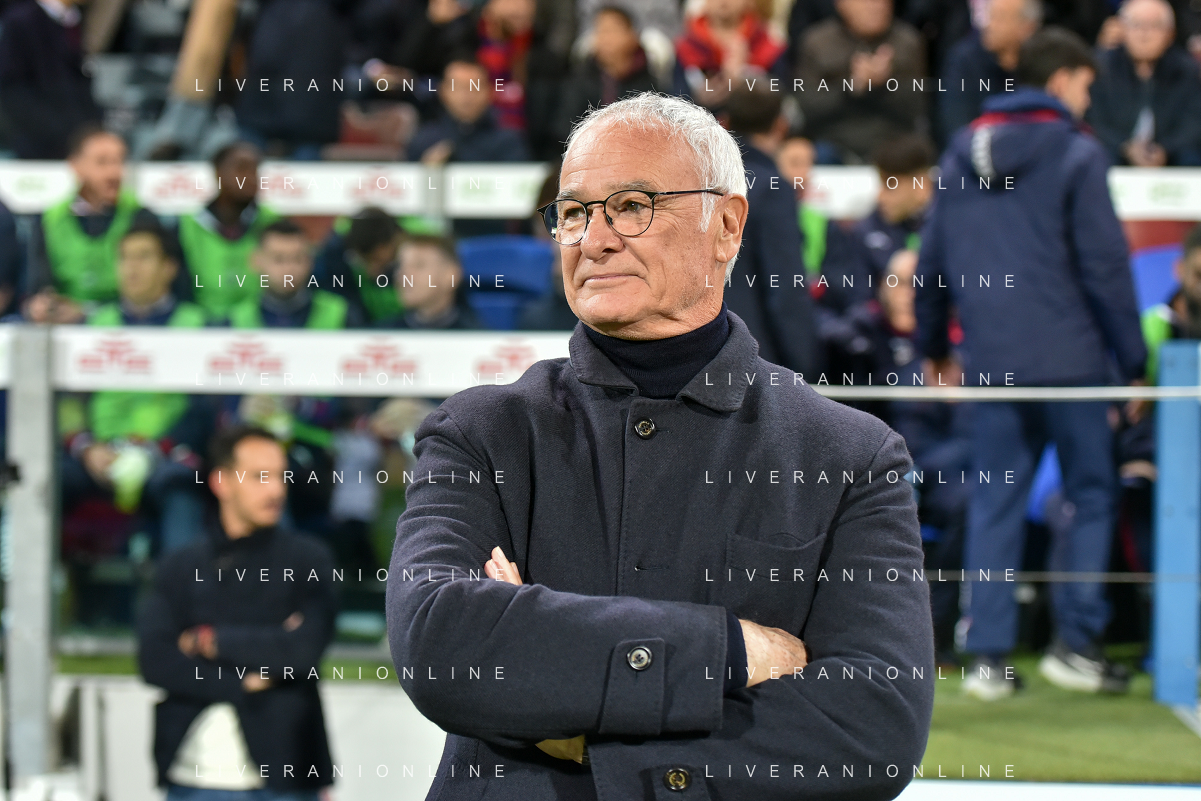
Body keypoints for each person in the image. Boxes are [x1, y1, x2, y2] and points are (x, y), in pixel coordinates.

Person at [387, 91, 933, 800]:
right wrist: (728, 651)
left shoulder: (851, 456)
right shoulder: (479, 432)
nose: (594, 238)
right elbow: (440, 644)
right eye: (574, 213)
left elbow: (873, 728)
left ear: (726, 226)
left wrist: (577, 728)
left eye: (632, 206)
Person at [915, 27, 1147, 699]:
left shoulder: (959, 151)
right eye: (1085, 84)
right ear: (1063, 80)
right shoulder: (1077, 152)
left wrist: (934, 347)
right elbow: (1105, 266)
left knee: (995, 499)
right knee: (1091, 494)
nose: (1088, 98)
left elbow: (932, 258)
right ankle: (1076, 644)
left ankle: (988, 658)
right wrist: (1132, 361)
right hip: (1072, 364)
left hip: (992, 361)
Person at [136, 425, 337, 800]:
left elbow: (302, 650)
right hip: (193, 779)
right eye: (260, 476)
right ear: (222, 482)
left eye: (280, 476)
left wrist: (207, 641)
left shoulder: (308, 559)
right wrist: (244, 679)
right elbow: (155, 661)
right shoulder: (181, 565)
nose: (276, 490)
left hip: (287, 776)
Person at [61, 221, 214, 557]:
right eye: (124, 257)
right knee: (43, 479)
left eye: (143, 257)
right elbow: (69, 403)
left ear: (169, 268)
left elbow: (205, 409)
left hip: (165, 453)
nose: (131, 268)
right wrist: (87, 447)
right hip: (100, 453)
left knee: (182, 486)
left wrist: (154, 449)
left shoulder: (198, 325)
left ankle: (180, 587)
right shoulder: (92, 325)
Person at [720, 83, 822, 379]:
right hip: (756, 361)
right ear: (781, 125)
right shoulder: (773, 189)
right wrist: (805, 367)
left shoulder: (703, 184)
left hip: (702, 349)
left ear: (725, 123)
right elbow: (786, 288)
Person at [795, 0, 928, 163]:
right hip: (833, 141)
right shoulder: (817, 43)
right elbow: (809, 107)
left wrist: (885, 84)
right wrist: (852, 87)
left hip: (892, 140)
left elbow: (917, 106)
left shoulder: (908, 42)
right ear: (841, 5)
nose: (876, 6)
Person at [1087, 0, 1201, 167]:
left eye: (1154, 26)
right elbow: (1092, 119)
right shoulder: (1101, 67)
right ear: (1122, 29)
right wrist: (1125, 147)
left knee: (1190, 157)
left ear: (1170, 33)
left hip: (1172, 158)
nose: (1144, 34)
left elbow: (1194, 121)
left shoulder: (1186, 70)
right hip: (1114, 153)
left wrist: (1165, 149)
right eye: (1136, 25)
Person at [179, 141, 280, 321]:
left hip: (260, 324)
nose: (250, 177)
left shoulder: (272, 222)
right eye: (242, 169)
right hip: (199, 323)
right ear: (217, 173)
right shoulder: (188, 224)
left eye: (255, 170)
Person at [0, 0, 101, 159]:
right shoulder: (22, 20)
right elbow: (11, 89)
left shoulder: (72, 19)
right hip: (39, 147)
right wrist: (54, 130)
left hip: (77, 141)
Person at [939, 0, 1042, 144]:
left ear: (1027, 28)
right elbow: (957, 125)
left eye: (1000, 18)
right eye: (990, 17)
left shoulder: (1041, 63)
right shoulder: (965, 60)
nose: (989, 25)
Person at [554, 5, 659, 145]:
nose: (605, 38)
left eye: (612, 30)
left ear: (632, 36)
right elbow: (564, 128)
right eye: (600, 30)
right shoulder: (579, 79)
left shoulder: (648, 83)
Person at [674, 0, 787, 107]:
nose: (724, 1)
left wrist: (743, 77)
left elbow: (781, 97)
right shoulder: (687, 48)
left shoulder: (766, 46)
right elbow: (677, 100)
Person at [313, 207, 405, 326]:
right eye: (365, 262)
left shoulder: (417, 246)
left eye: (376, 260)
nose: (371, 270)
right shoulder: (336, 260)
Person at [378, 233, 485, 329]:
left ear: (451, 275)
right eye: (400, 265)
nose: (403, 274)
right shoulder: (381, 334)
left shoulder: (476, 339)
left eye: (419, 265)